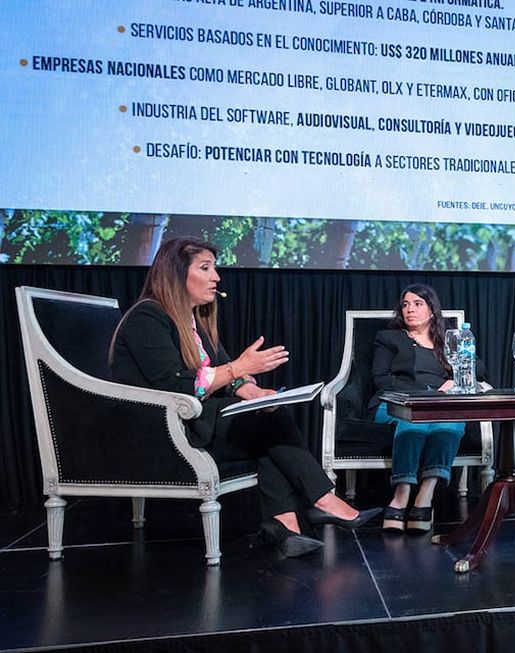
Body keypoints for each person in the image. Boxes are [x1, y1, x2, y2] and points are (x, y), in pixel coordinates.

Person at [110, 237, 380, 557]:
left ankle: (285, 525)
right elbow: (178, 385)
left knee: (265, 418)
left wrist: (254, 391)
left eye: (215, 268)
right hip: (162, 432)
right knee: (266, 423)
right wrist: (240, 367)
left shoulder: (193, 323)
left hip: (193, 421)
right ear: (175, 273)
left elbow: (228, 375)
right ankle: (323, 500)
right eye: (206, 268)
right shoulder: (148, 317)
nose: (217, 277)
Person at [369, 283, 488, 533]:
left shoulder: (449, 339)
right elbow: (380, 378)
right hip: (396, 403)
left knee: (449, 424)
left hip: (441, 405)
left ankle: (425, 495)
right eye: (405, 304)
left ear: (432, 310)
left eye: (417, 304)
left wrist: (454, 381)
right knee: (412, 423)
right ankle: (401, 495)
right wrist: (423, 393)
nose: (409, 309)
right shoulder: (389, 338)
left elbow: (479, 367)